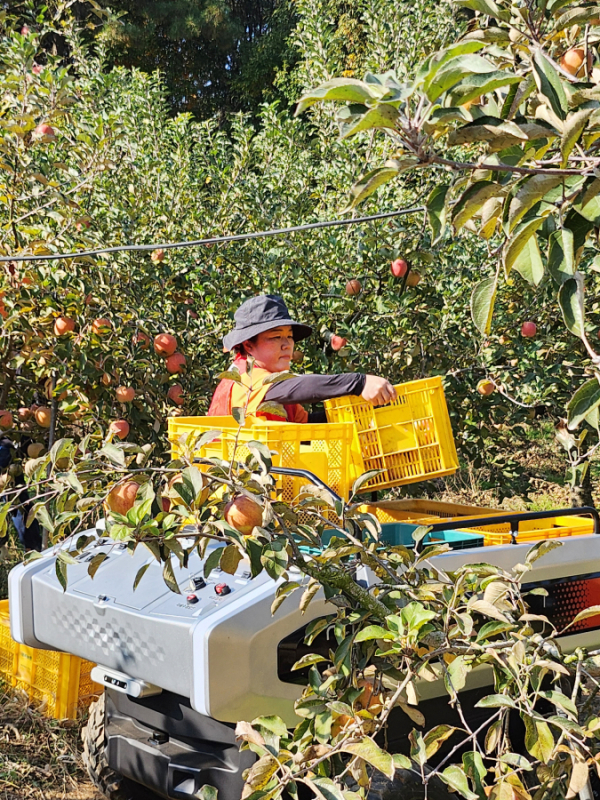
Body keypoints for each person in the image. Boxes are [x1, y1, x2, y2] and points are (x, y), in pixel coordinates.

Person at [208, 295, 396, 422]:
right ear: (249, 345)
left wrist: (365, 415)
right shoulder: (244, 378)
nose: (287, 344)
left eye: (289, 336)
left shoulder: (276, 384)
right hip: (237, 478)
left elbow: (305, 425)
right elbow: (296, 388)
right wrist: (359, 383)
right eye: (275, 337)